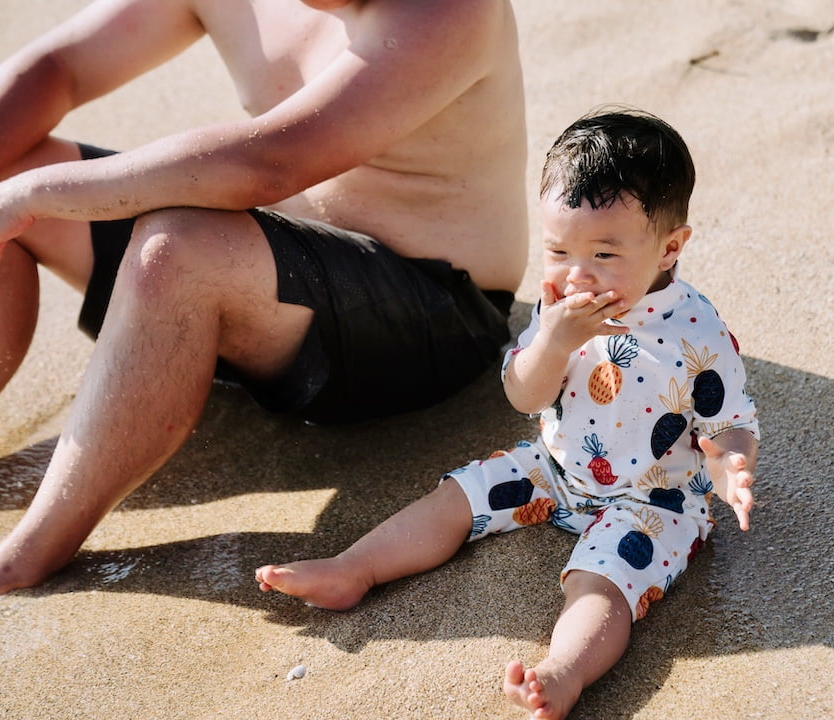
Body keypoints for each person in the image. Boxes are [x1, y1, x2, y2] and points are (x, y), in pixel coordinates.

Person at [0, 0, 528, 594]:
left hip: (436, 315)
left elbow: (267, 164)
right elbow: (59, 67)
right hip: (262, 281)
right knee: (6, 161)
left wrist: (30, 197)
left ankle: (29, 552)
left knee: (175, 246)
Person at [255, 107, 760, 719]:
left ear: (670, 247)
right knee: (457, 497)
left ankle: (564, 672)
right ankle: (352, 568)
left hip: (653, 501)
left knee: (601, 581)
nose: (577, 274)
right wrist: (553, 340)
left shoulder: (696, 333)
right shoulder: (557, 309)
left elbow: (728, 416)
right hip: (554, 468)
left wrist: (732, 462)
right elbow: (523, 394)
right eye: (558, 250)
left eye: (604, 253)